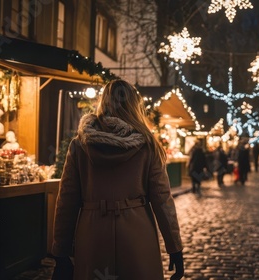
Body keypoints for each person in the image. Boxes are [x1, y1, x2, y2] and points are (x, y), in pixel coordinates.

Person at [51, 80, 184, 280]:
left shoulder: (80, 145)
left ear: (103, 102)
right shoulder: (147, 146)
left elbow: (67, 201)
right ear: (134, 105)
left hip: (93, 233)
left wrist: (60, 252)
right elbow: (162, 199)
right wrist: (175, 247)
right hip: (137, 233)